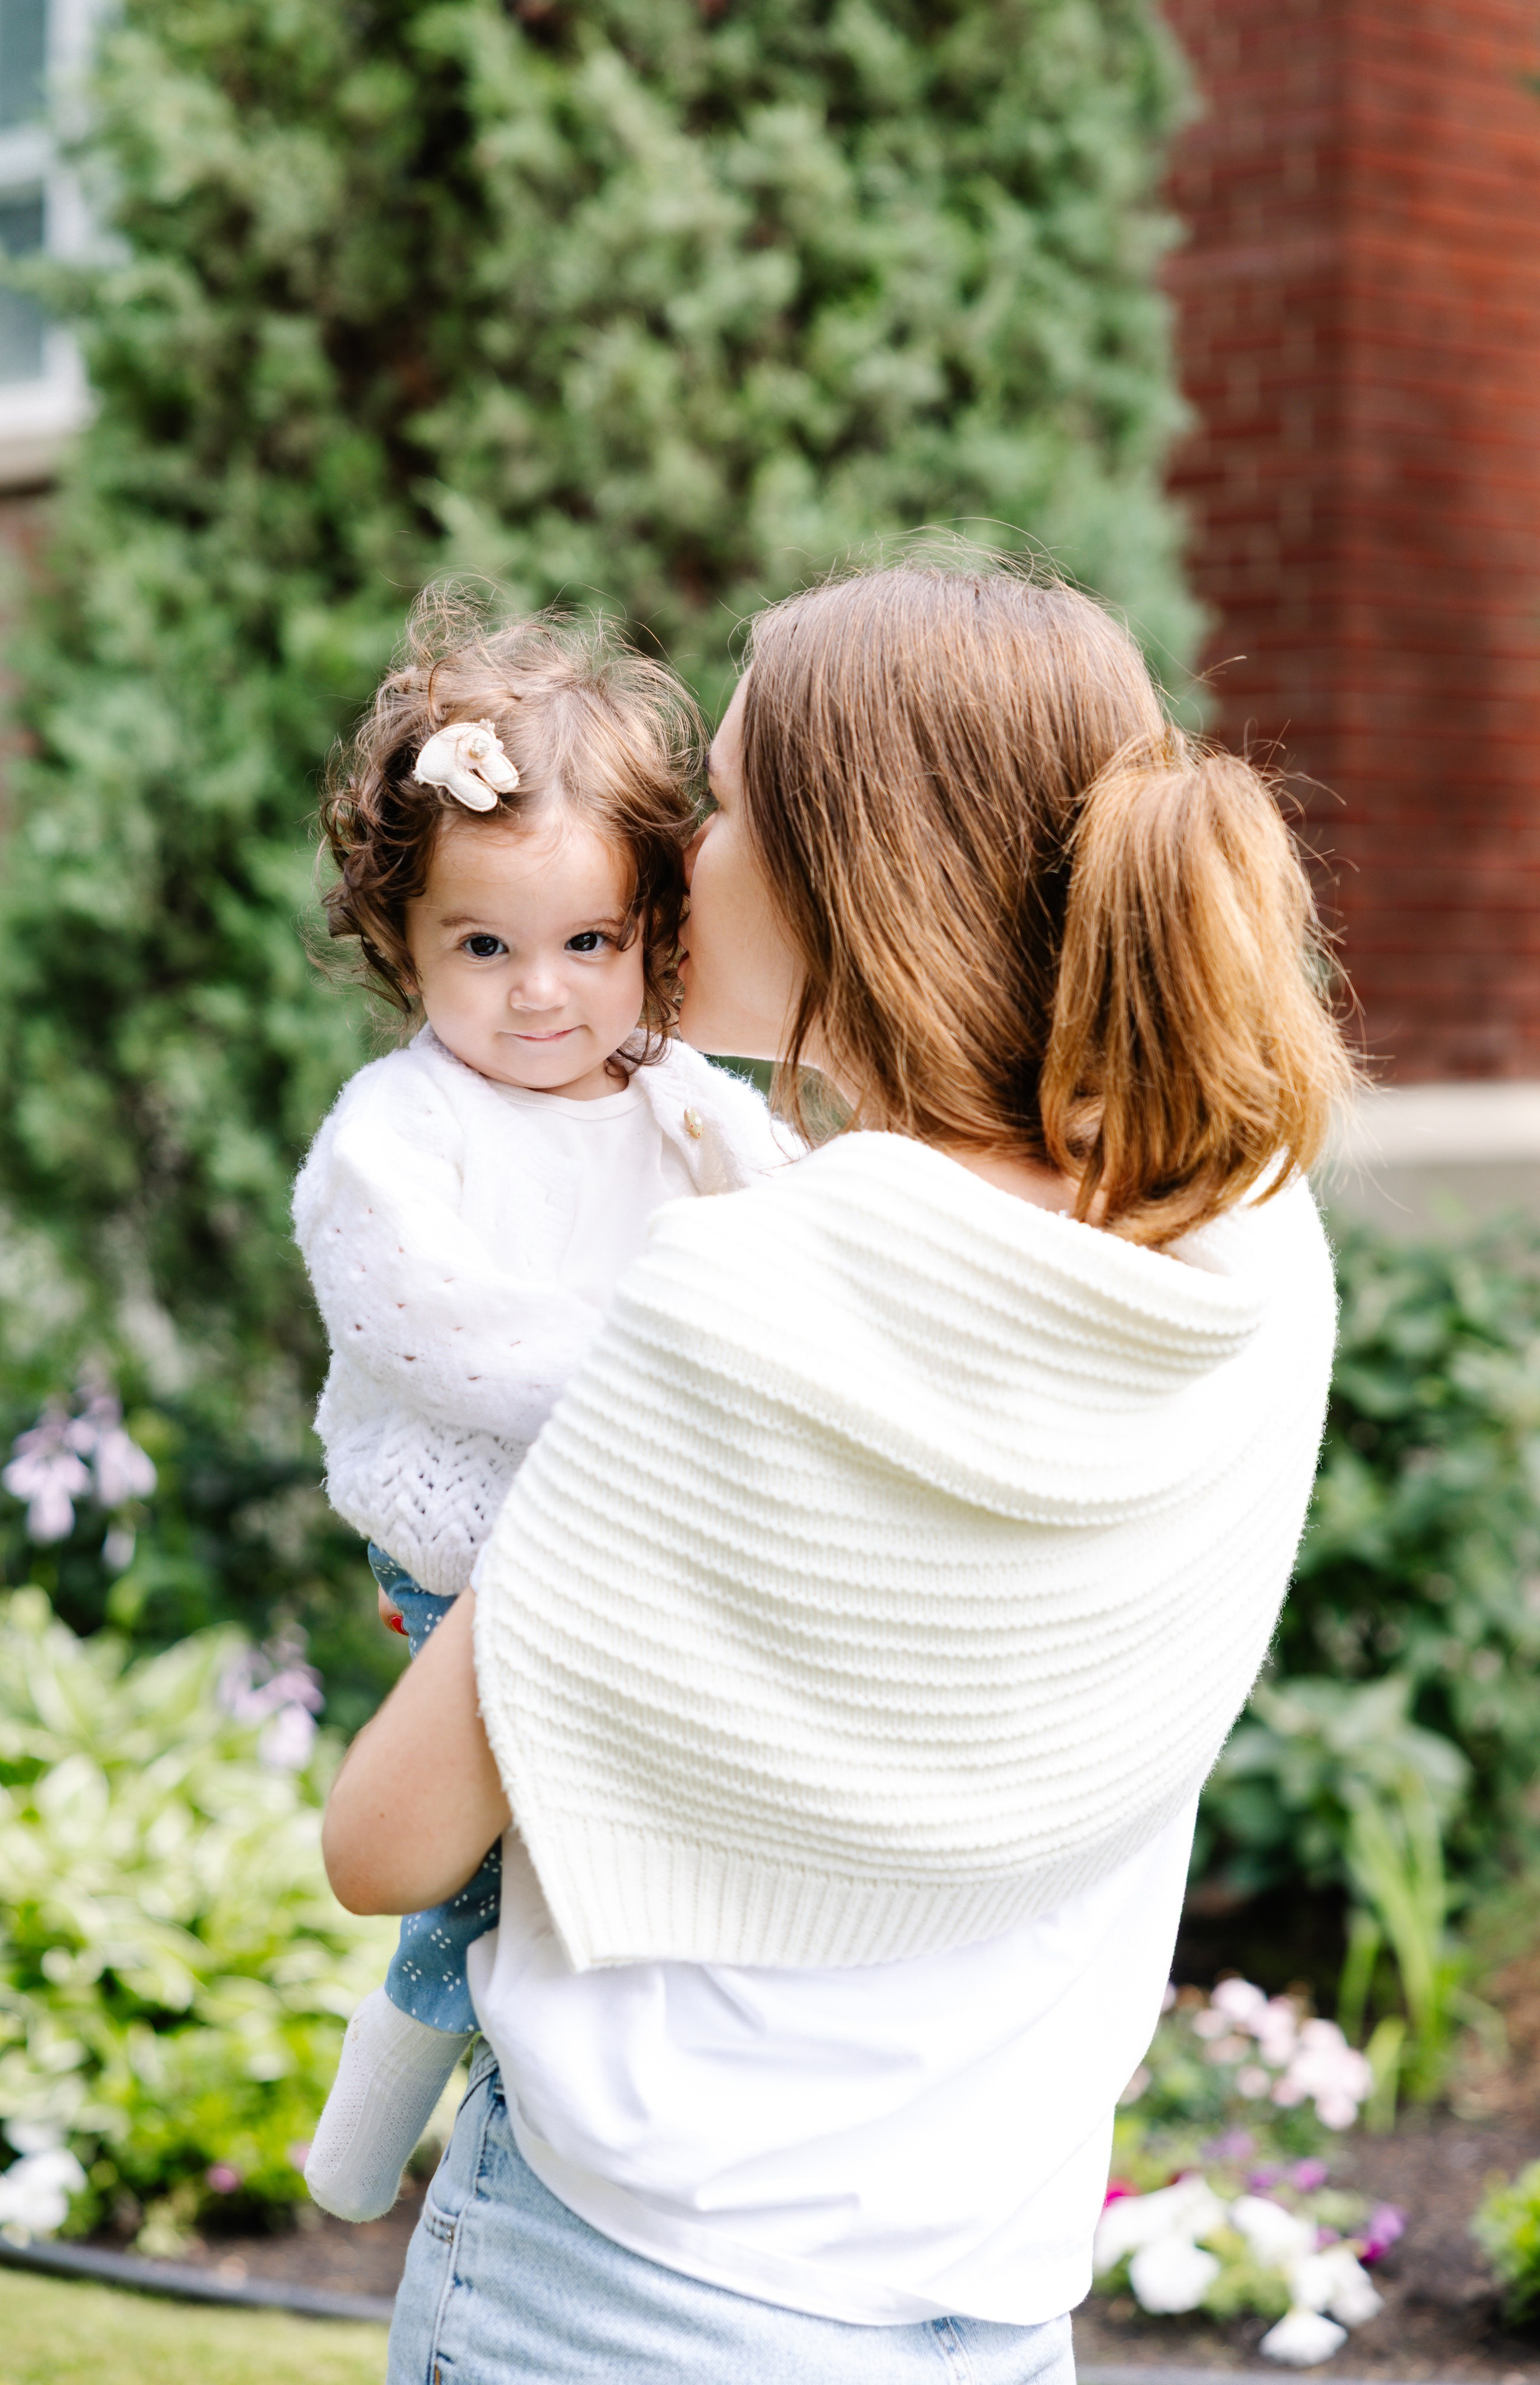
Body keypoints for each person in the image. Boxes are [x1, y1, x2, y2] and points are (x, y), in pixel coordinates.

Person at [321, 561, 1355, 2384]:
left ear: (848, 875)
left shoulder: (749, 1291)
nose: (671, 857)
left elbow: (387, 1842)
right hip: (1000, 2281)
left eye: (718, 805)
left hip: (632, 2290)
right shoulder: (1251, 1253)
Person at [292, 603, 792, 2223]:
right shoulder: (399, 1132)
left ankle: (652, 2123)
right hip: (472, 1551)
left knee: (604, 1857)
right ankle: (371, 2149)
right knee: (500, 1871)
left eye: (586, 944)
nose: (538, 997)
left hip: (631, 1549)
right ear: (403, 942)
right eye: (482, 948)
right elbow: (442, 1334)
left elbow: (794, 1237)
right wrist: (666, 1360)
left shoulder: (680, 1102)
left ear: (653, 931)